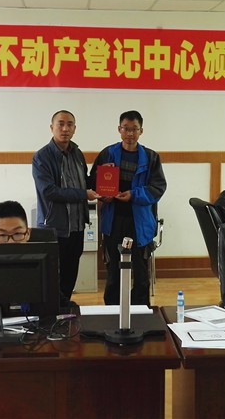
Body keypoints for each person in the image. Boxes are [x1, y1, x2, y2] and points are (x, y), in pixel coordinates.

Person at [89, 110, 166, 306]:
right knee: (113, 272)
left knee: (141, 275)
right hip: (113, 221)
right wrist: (102, 195)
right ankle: (112, 312)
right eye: (126, 129)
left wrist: (133, 195)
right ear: (119, 129)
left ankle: (141, 313)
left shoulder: (151, 157)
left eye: (134, 129)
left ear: (141, 131)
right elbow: (92, 182)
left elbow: (158, 188)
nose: (130, 133)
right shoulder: (107, 153)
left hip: (140, 223)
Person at [32, 110, 99, 305]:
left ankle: (64, 313)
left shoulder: (77, 153)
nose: (65, 128)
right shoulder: (42, 157)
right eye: (60, 124)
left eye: (69, 125)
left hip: (77, 226)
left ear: (75, 129)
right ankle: (52, 315)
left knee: (70, 275)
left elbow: (83, 182)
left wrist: (105, 179)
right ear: (51, 127)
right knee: (54, 278)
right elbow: (49, 191)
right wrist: (84, 194)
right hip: (55, 227)